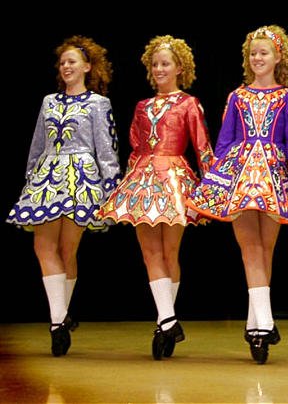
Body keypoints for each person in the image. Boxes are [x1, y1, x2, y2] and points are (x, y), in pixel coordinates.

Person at [187, 25, 288, 364]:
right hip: (241, 176)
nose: (257, 58)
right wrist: (215, 182)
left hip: (274, 177)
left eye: (263, 53)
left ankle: (255, 323)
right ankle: (265, 323)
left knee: (266, 249)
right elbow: (225, 142)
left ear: (278, 57)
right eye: (252, 53)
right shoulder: (237, 96)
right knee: (250, 249)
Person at [96, 35, 214, 360]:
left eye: (165, 63)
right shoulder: (142, 106)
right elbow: (136, 146)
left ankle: (166, 321)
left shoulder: (189, 104)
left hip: (174, 178)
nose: (159, 69)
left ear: (179, 67)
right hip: (143, 179)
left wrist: (212, 187)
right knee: (150, 253)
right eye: (155, 64)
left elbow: (202, 146)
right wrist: (129, 181)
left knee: (169, 251)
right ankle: (167, 320)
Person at [7, 35, 121, 357]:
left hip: (81, 179)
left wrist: (110, 188)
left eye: (72, 61)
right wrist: (31, 178)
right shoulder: (48, 101)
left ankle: (60, 319)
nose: (66, 66)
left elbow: (107, 149)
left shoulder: (98, 104)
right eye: (62, 62)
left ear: (87, 66)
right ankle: (59, 320)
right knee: (43, 246)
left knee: (67, 249)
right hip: (47, 178)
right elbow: (38, 142)